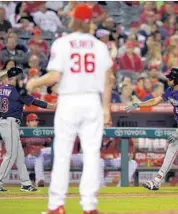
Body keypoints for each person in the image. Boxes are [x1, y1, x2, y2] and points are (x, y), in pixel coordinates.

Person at [25, 4, 113, 214]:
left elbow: (55, 76)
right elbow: (108, 79)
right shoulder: (100, 46)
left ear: (75, 20)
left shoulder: (62, 43)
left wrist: (34, 83)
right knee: (92, 154)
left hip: (69, 101)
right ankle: (90, 206)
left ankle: (56, 205)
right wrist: (107, 109)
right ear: (89, 21)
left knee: (62, 154)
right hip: (92, 101)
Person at [0, 67, 56, 192]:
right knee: (12, 154)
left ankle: (26, 183)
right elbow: (37, 102)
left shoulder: (0, 90)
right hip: (10, 122)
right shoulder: (17, 91)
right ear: (16, 78)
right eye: (20, 77)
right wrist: (54, 106)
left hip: (7, 123)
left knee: (19, 155)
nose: (22, 79)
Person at [21, 113, 52, 187]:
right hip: (28, 159)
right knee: (38, 156)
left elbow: (50, 141)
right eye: (32, 121)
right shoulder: (22, 132)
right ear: (27, 123)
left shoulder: (41, 132)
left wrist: (39, 151)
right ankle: (36, 178)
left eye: (36, 121)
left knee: (43, 154)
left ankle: (39, 181)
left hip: (41, 158)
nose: (35, 122)